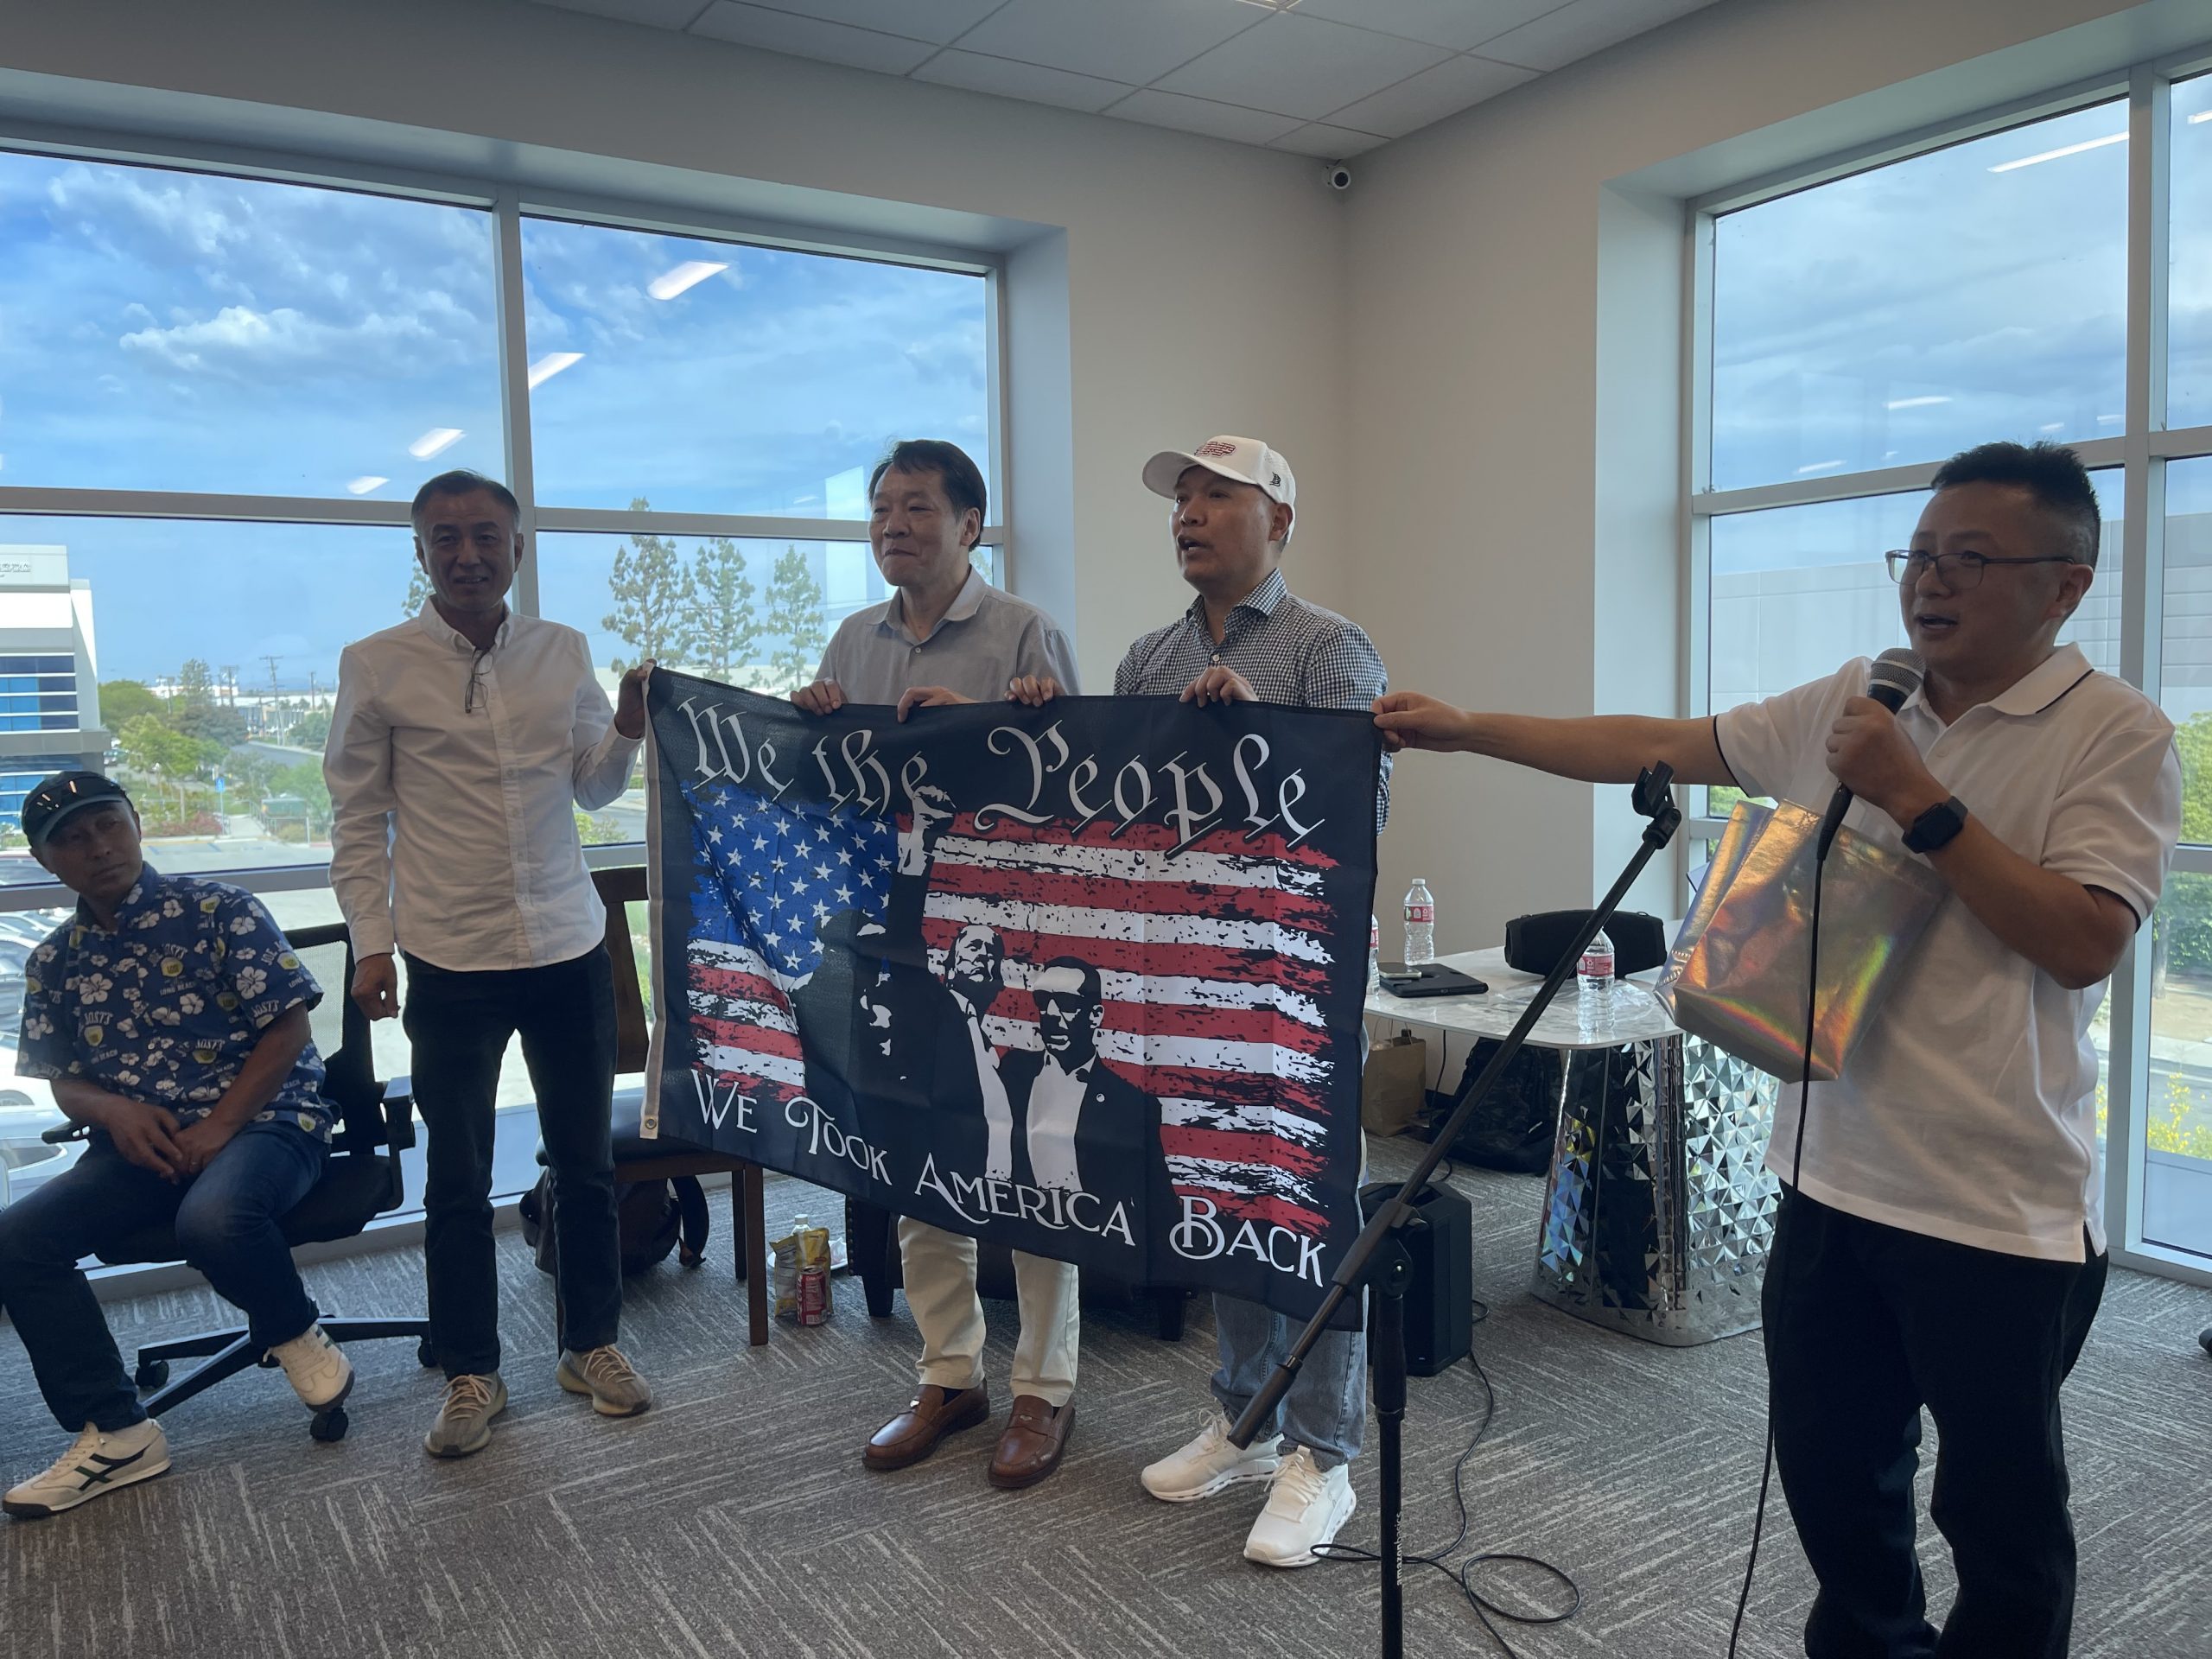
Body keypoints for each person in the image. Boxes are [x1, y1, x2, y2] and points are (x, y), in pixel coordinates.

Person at [1375, 441, 2178, 1658]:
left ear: (2065, 585)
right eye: (1918, 554)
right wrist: (1467, 730)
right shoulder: (1865, 695)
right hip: (1830, 1179)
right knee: (1836, 1486)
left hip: (1996, 1209)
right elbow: (1662, 742)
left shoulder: (2115, 732)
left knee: (2000, 1521)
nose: (1930, 581)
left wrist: (1918, 799)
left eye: (1969, 559)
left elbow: (2082, 941)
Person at [325, 469, 654, 1460]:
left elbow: (592, 788)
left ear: (517, 547)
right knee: (458, 1177)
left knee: (585, 1166)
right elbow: (355, 819)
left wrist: (628, 724)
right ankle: (472, 1371)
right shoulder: (377, 665)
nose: (466, 554)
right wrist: (370, 943)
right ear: (421, 552)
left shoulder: (563, 651)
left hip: (566, 943)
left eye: (485, 536)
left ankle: (589, 1346)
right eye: (446, 537)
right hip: (450, 955)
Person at [1109, 434, 1390, 1569]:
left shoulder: (1331, 647)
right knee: (1220, 1190)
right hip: (1191, 970)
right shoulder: (1147, 656)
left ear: (1277, 520)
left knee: (1305, 1201)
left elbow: (1361, 806)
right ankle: (1244, 1417)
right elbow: (1118, 807)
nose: (1188, 514)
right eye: (1180, 499)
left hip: (1297, 973)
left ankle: (1323, 1455)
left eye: (1215, 496)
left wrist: (1262, 730)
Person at [791, 437, 1084, 1491]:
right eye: (881, 509)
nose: (893, 526)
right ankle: (948, 1375)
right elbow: (835, 799)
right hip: (902, 947)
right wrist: (812, 725)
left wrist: (996, 725)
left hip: (1009, 938)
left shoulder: (1025, 632)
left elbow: (1079, 792)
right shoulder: (852, 639)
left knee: (1034, 1157)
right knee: (918, 1161)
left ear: (970, 524)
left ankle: (1044, 1388)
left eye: (917, 507)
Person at [0, 772, 352, 1518]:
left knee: (213, 1221)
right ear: (45, 860)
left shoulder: (220, 909)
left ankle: (290, 1327)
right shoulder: (54, 960)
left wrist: (220, 1125)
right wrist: (111, 1109)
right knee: (18, 1240)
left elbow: (290, 1027)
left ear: (135, 823)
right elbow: (63, 1080)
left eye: (109, 824)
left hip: (266, 1122)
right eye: (73, 838)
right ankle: (118, 1431)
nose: (99, 847)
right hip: (143, 1150)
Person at [997, 957, 1166, 1204]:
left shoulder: (1131, 1105)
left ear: (1095, 1016)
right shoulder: (1013, 1071)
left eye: (1067, 1003)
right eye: (1043, 1000)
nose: (1051, 1013)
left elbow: (1158, 1204)